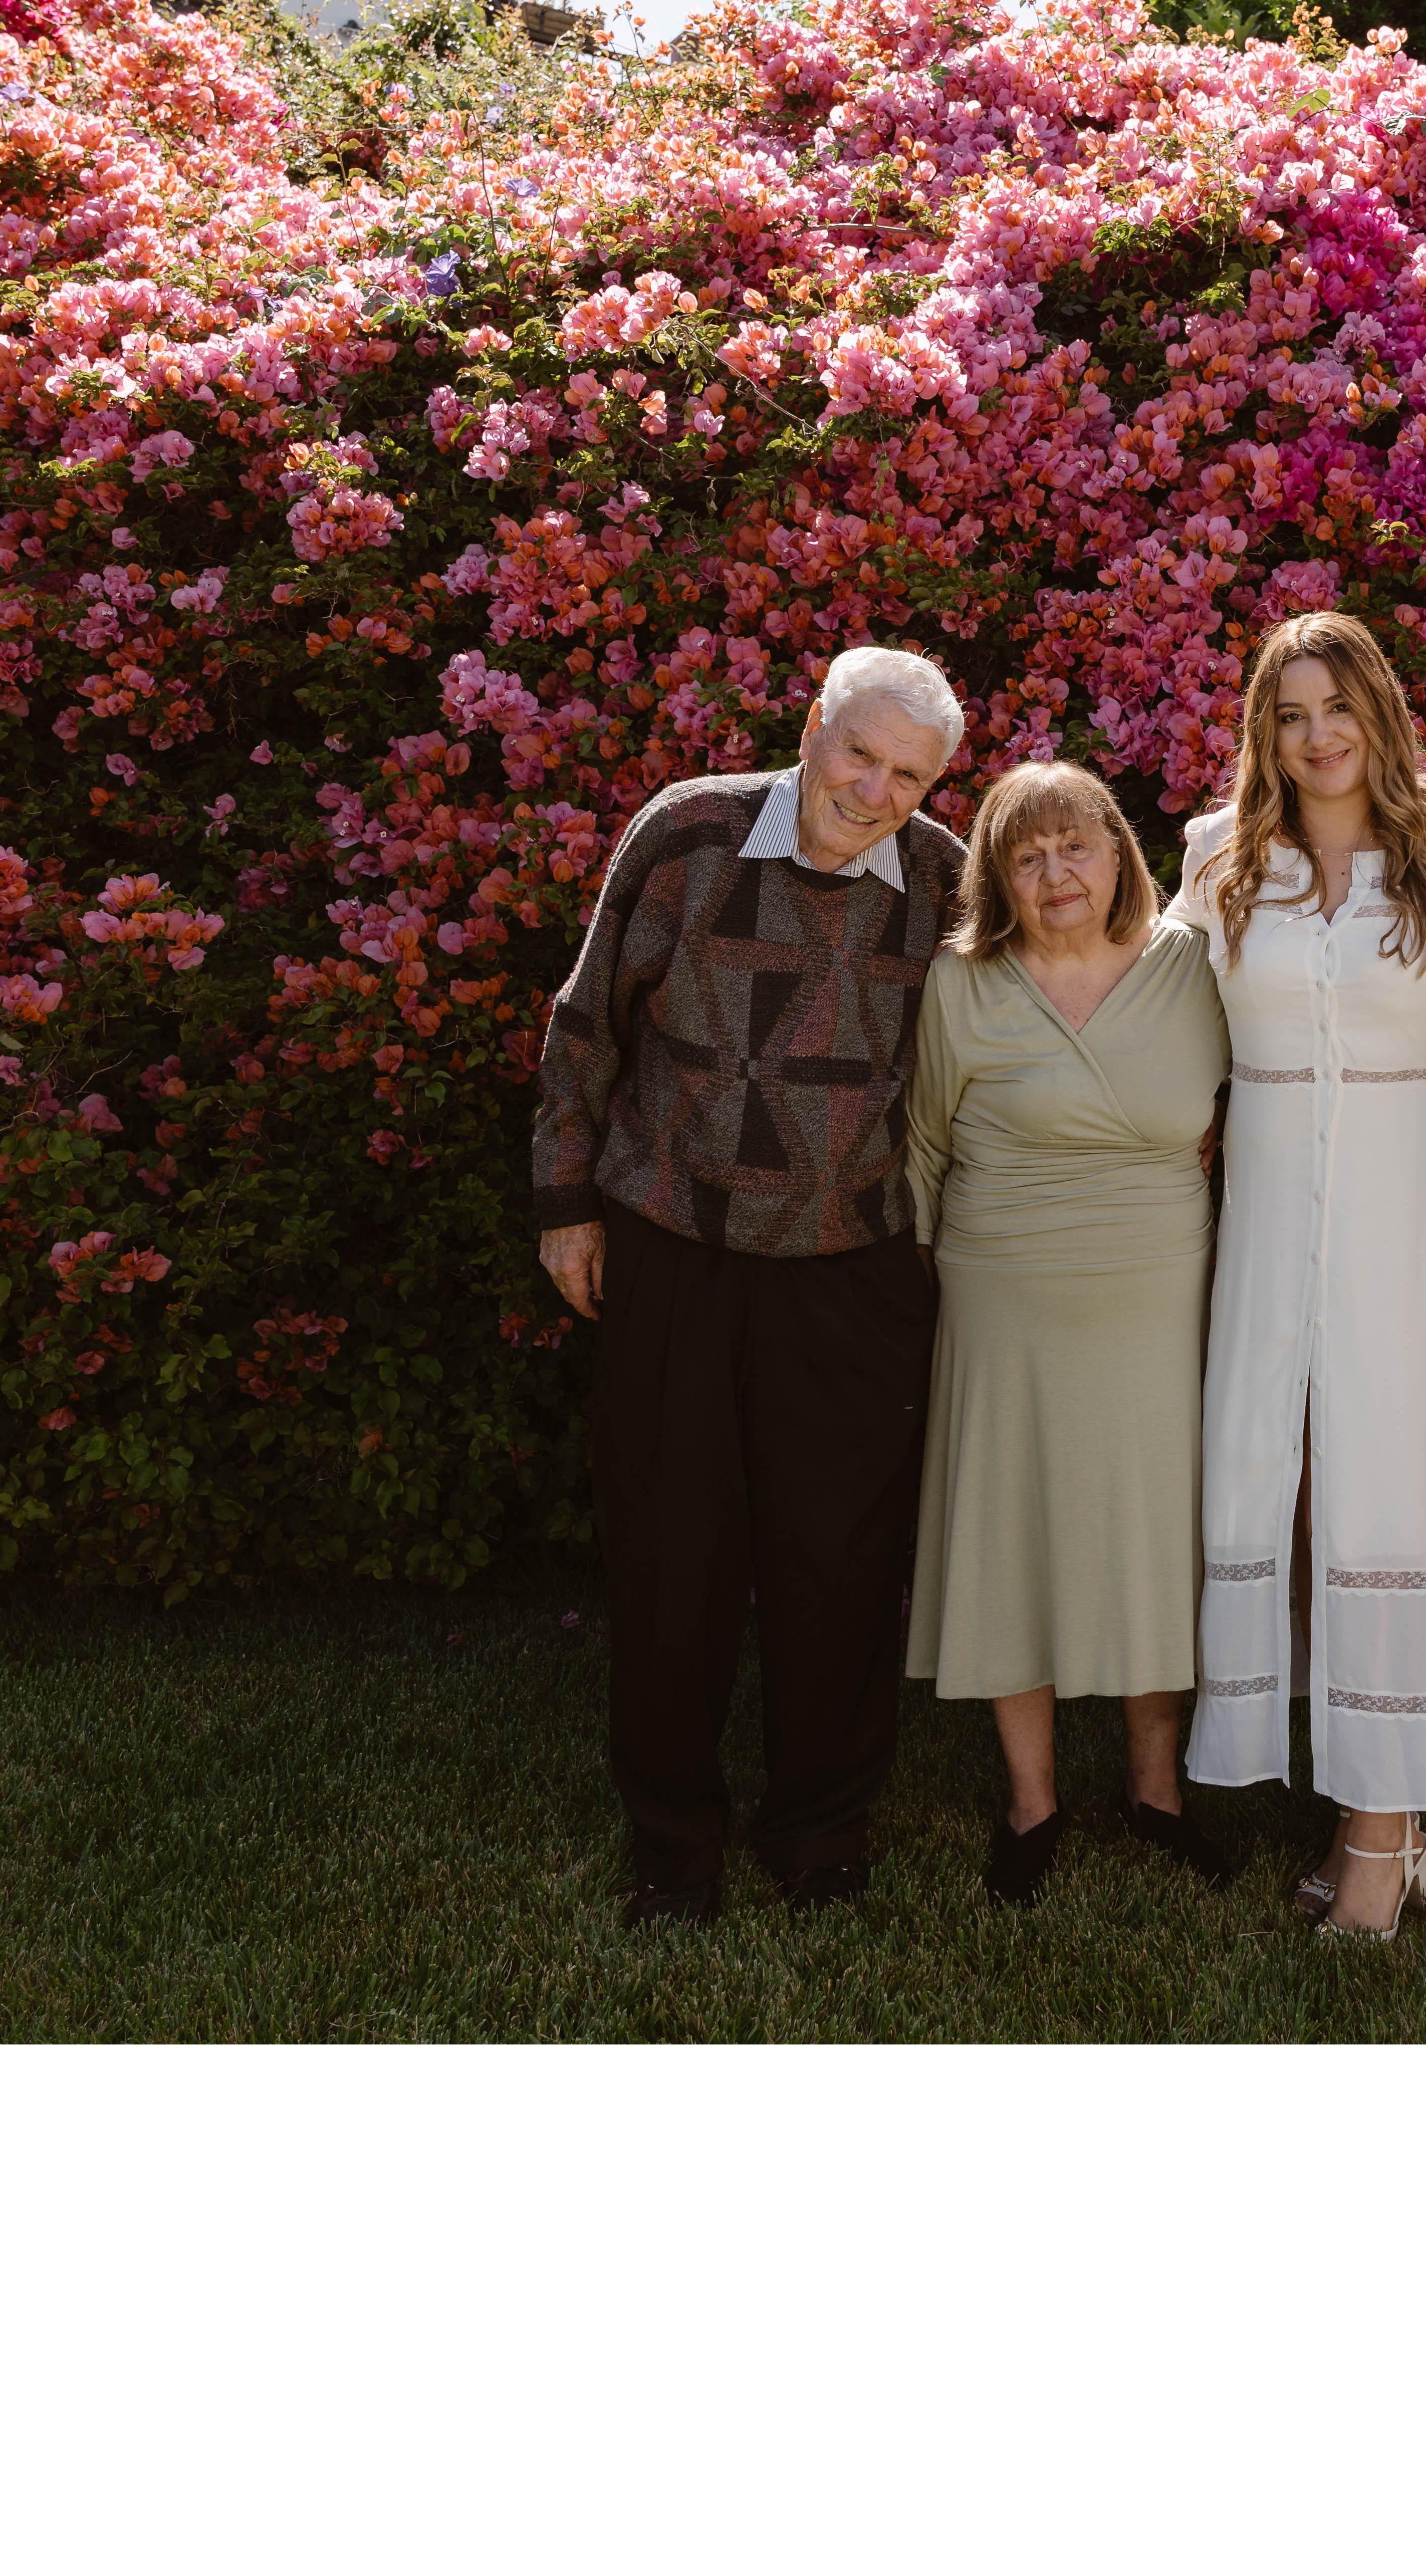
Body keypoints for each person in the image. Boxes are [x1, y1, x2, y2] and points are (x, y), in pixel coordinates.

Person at [532, 646, 968, 1929]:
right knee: (675, 1558)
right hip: (676, 1244)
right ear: (812, 728)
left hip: (854, 1271)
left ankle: (821, 1836)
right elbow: (586, 1027)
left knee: (840, 1564)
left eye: (910, 775)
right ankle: (673, 1844)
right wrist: (564, 1206)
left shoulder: (943, 882)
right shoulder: (688, 834)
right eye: (860, 755)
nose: (877, 791)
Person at [1169, 611, 1426, 1939]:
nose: (1315, 737)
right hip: (1262, 1195)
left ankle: (1381, 1825)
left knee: (1394, 1487)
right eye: (1286, 712)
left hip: (1410, 1196)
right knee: (1277, 1474)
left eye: (1337, 707)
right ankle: (1364, 1798)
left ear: (1379, 711)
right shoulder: (1216, 858)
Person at [903, 762, 1233, 1905]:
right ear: (998, 875)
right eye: (1027, 856)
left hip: (1159, 1294)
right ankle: (1031, 1802)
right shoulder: (963, 984)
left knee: (1151, 1534)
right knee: (1015, 1527)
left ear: (1118, 852)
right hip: (1005, 1293)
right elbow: (924, 1149)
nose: (1056, 874)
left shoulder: (1191, 969)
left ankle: (1157, 1790)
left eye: (1076, 846)